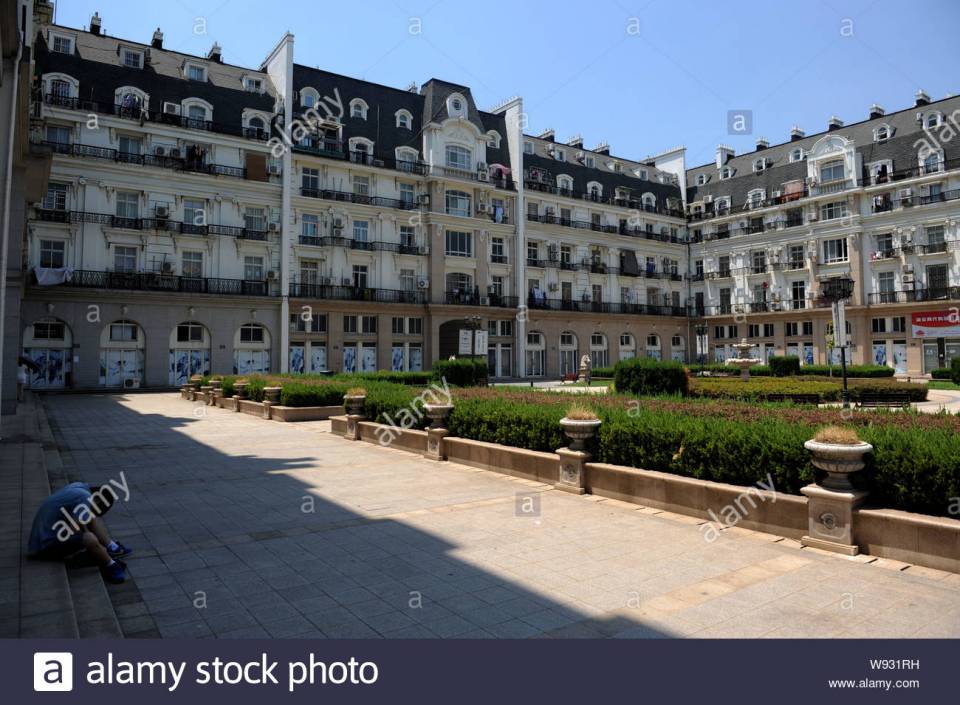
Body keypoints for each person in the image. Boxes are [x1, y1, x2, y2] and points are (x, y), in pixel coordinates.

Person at [28, 482, 132, 584]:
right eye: (99, 510)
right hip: (44, 547)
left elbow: (78, 521)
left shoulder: (80, 487)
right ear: (98, 500)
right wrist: (95, 547)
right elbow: (75, 529)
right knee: (89, 538)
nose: (97, 513)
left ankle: (112, 547)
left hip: (43, 538)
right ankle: (111, 565)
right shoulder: (86, 498)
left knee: (89, 518)